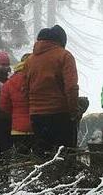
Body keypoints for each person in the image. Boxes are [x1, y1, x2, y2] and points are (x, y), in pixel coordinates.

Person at [24, 25, 79, 153]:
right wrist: (73, 111)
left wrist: (33, 108)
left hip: (37, 116)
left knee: (43, 156)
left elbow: (25, 89)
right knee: (64, 156)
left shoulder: (29, 61)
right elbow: (71, 87)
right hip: (60, 113)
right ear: (61, 40)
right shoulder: (65, 56)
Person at [0, 53, 35, 154]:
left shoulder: (9, 83)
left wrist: (15, 112)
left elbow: (4, 106)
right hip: (36, 125)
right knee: (38, 159)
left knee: (21, 160)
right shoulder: (36, 79)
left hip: (17, 129)